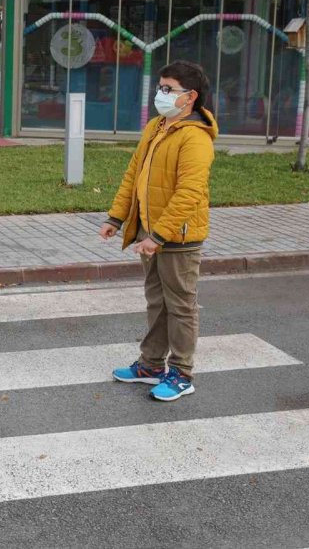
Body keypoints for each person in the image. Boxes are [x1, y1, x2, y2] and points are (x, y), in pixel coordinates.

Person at [100, 60, 218, 402]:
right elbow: (133, 174)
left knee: (180, 306)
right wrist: (116, 218)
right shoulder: (157, 126)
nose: (160, 95)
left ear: (191, 96)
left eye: (169, 90)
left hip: (178, 238)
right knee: (157, 302)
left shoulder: (195, 139)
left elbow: (188, 193)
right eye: (160, 88)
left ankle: (181, 374)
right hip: (149, 234)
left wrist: (159, 236)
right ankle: (151, 365)